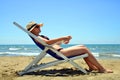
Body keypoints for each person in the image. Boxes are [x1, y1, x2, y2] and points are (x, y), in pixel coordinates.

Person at [26, 21, 113, 73]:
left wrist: (63, 41)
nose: (39, 27)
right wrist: (63, 37)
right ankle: (102, 69)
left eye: (38, 26)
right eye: (37, 26)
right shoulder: (37, 37)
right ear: (32, 29)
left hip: (60, 51)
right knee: (84, 49)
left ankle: (91, 67)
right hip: (60, 53)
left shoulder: (39, 36)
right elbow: (48, 42)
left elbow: (52, 44)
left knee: (82, 46)